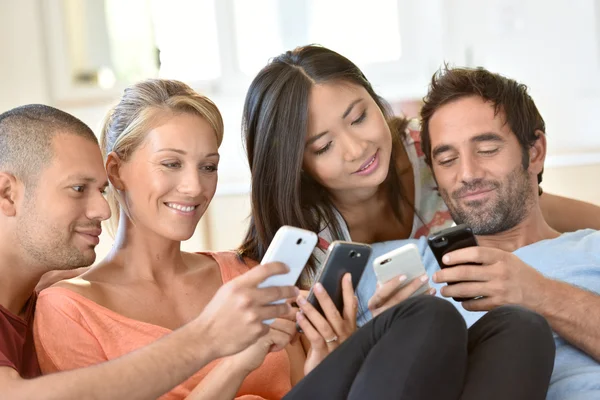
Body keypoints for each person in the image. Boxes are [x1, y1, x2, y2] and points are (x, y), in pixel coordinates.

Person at [34, 79, 555, 400]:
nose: (194, 187)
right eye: (171, 164)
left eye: (209, 166)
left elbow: (313, 383)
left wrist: (337, 344)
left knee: (519, 329)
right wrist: (236, 359)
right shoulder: (68, 308)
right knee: (428, 317)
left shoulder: (247, 273)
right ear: (117, 171)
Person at [238, 44, 600, 309]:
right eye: (322, 146)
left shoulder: (430, 150)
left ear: (374, 98)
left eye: (359, 117)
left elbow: (522, 199)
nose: (356, 149)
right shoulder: (307, 242)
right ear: (297, 164)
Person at [0, 104, 298, 399]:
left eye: (101, 190)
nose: (103, 210)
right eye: (78, 188)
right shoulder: (64, 307)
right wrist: (213, 337)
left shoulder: (31, 304)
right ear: (7, 194)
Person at [360, 66, 600, 399]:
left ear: (535, 152)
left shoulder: (592, 250)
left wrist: (538, 293)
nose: (468, 174)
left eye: (487, 149)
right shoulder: (388, 267)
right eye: (447, 159)